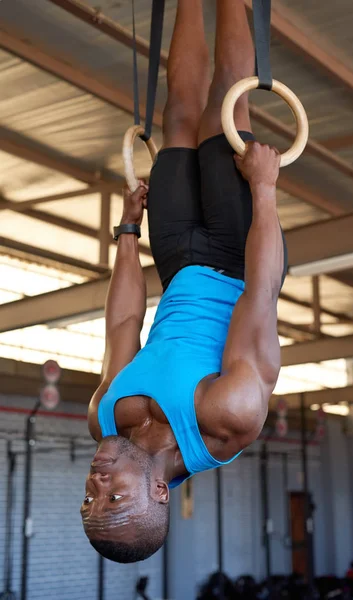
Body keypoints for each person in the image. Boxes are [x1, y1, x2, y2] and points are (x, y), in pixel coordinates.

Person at [81, 0, 287, 564]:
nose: (97, 480)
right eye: (113, 494)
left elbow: (124, 321)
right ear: (156, 493)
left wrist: (127, 232)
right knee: (228, 100)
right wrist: (264, 189)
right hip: (241, 257)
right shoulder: (228, 417)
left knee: (178, 115)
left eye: (87, 498)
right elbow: (260, 295)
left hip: (176, 262)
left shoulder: (107, 414)